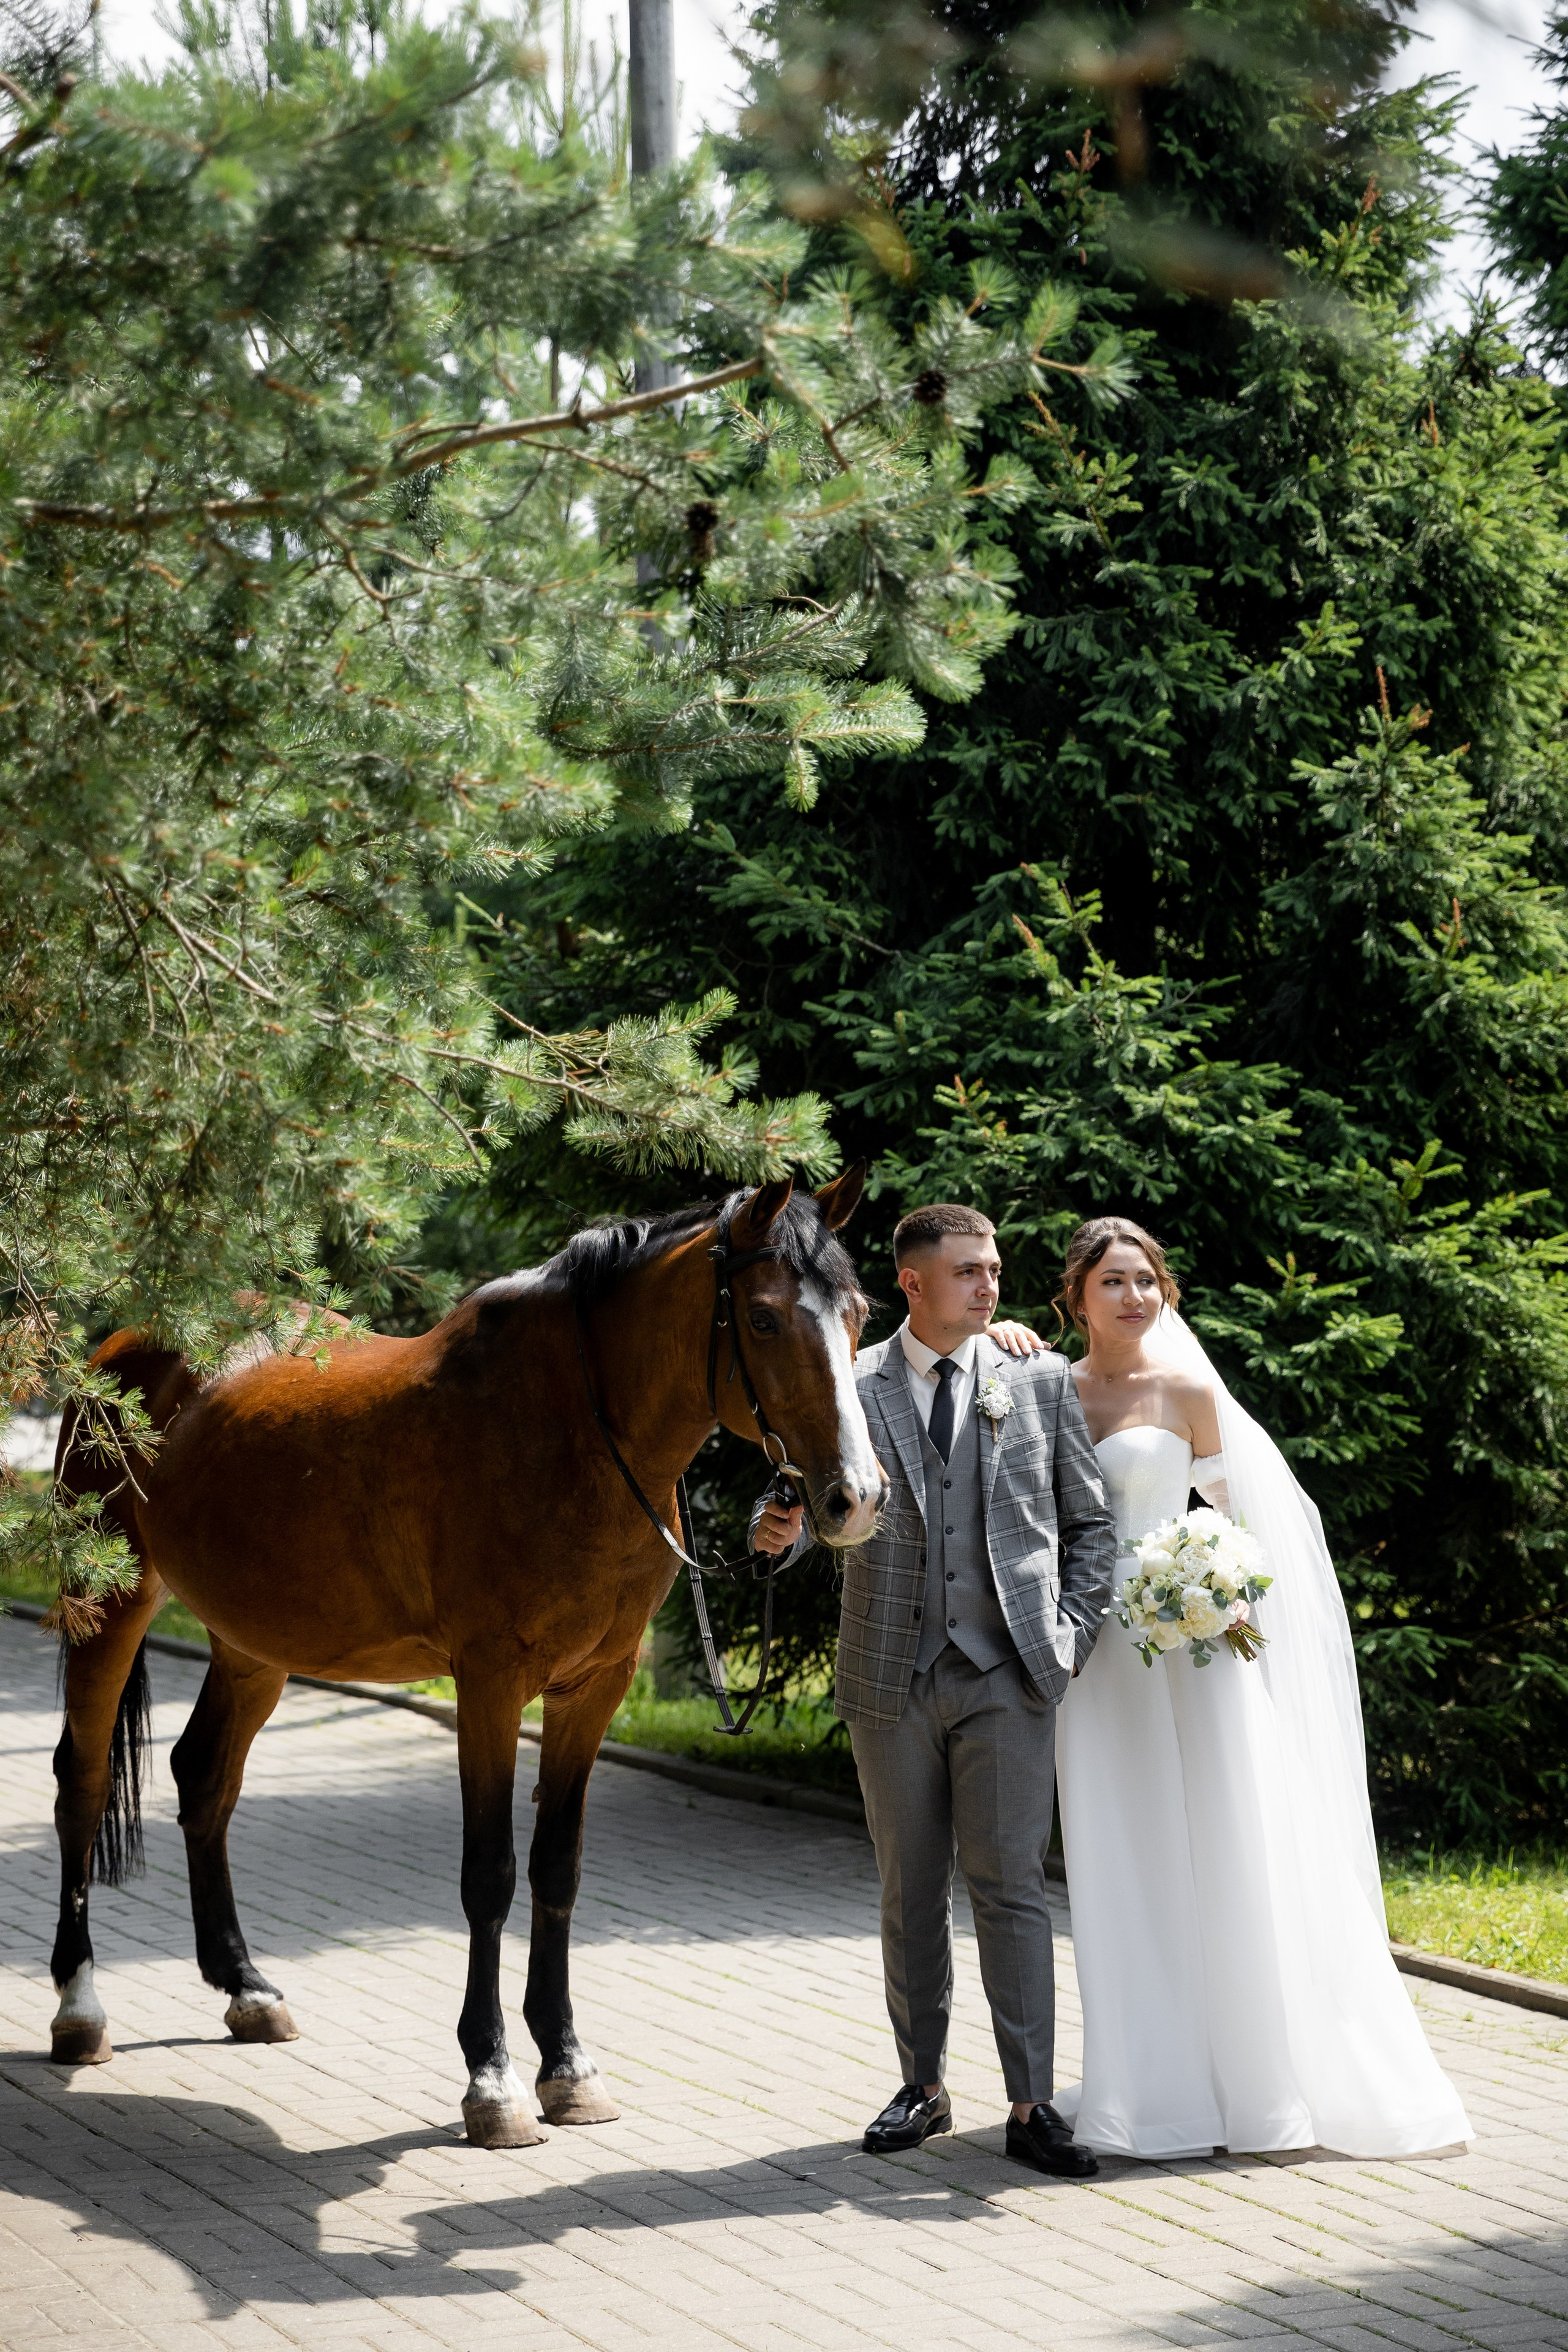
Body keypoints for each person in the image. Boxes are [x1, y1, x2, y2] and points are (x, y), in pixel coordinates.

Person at [1052, 1214, 1472, 2160]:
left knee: (1229, 1840)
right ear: (1075, 1296)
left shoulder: (1189, 1387)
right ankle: (1146, 2080)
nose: (1134, 1297)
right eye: (1113, 1282)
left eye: (1146, 1280)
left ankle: (1258, 2083)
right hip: (1097, 1658)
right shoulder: (1050, 1391)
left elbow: (1239, 1517)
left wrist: (1210, 1587)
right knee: (1122, 1850)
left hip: (1189, 1645)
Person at [752, 1202, 1115, 2176]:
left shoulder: (1034, 1380)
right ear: (913, 1284)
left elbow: (1091, 1527)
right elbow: (802, 1503)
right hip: (891, 1677)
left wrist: (1068, 1644)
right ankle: (921, 2086)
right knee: (909, 1892)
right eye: (969, 1271)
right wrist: (775, 1535)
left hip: (1010, 1678)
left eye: (994, 1268)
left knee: (1012, 1892)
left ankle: (1031, 2102)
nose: (991, 1284)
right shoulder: (853, 1386)